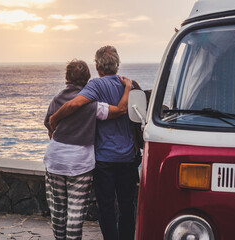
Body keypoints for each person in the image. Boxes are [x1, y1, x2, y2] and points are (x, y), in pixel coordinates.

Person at [49, 46, 137, 240]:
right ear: (118, 65)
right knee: (127, 205)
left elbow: (75, 104)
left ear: (97, 67)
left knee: (105, 206)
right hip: (128, 156)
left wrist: (54, 119)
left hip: (104, 157)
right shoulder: (130, 85)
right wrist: (128, 87)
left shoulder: (95, 86)